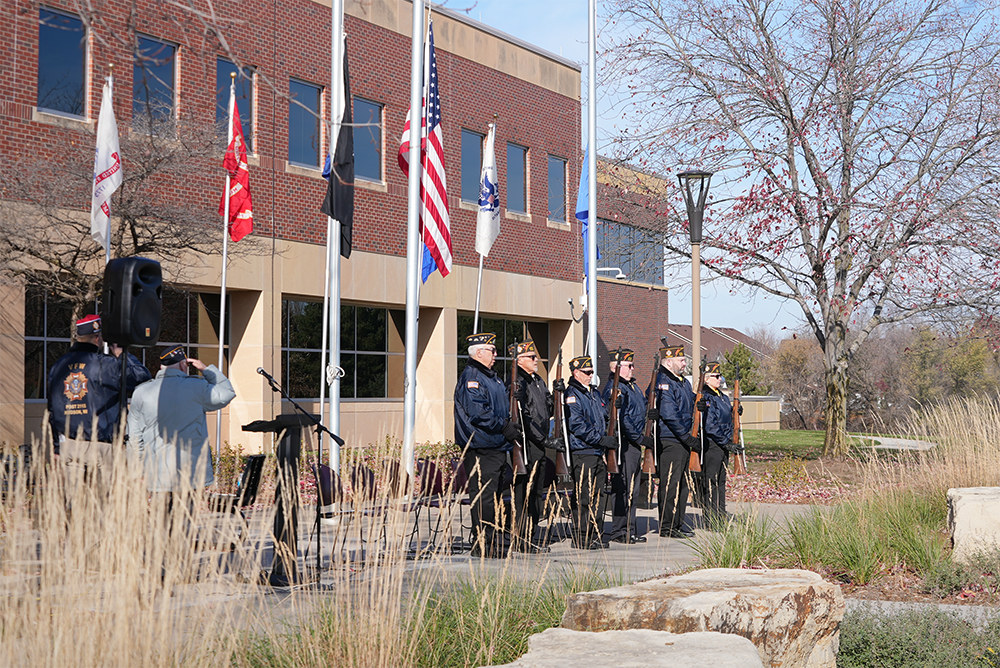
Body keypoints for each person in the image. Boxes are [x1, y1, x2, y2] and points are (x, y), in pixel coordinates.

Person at [46, 314, 151, 489]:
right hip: (102, 447)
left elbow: (52, 410)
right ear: (98, 338)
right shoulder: (106, 364)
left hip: (70, 445)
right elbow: (141, 377)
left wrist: (57, 447)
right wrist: (123, 354)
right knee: (105, 507)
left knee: (74, 507)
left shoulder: (58, 366)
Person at [126, 346, 236, 495]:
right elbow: (227, 393)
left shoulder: (141, 392)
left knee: (161, 517)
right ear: (183, 364)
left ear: (161, 367)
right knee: (187, 517)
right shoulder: (197, 387)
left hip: (156, 475)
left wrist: (138, 469)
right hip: (191, 474)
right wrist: (206, 370)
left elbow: (134, 436)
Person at [454, 332, 519, 558]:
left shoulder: (492, 377)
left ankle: (496, 542)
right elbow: (478, 413)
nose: (495, 354)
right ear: (478, 352)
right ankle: (484, 544)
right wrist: (504, 426)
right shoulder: (472, 377)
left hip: (497, 445)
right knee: (485, 497)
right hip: (482, 445)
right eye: (491, 350)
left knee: (497, 497)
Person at [564, 355, 616, 550]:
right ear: (576, 373)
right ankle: (582, 536)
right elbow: (577, 424)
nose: (590, 375)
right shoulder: (573, 394)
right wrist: (600, 439)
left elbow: (602, 418)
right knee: (584, 496)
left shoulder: (593, 393)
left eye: (592, 372)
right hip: (583, 451)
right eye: (586, 372)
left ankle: (596, 533)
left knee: (599, 495)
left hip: (596, 452)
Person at [507, 339, 553, 554]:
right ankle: (521, 537)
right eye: (531, 358)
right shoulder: (518, 382)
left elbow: (546, 409)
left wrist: (557, 398)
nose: (536, 361)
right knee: (523, 492)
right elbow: (523, 417)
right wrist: (540, 439)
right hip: (527, 444)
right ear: (519, 360)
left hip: (539, 443)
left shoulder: (538, 380)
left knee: (536, 492)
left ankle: (532, 534)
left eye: (536, 357)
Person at [649, 343, 699, 539]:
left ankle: (678, 523)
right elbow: (669, 414)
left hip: (683, 440)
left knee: (683, 485)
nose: (685, 363)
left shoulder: (683, 382)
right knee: (670, 485)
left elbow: (689, 402)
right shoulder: (663, 382)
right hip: (671, 440)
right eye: (681, 360)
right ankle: (667, 525)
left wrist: (701, 401)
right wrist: (685, 436)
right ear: (669, 362)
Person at [602, 349, 648, 544]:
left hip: (634, 444)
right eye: (629, 366)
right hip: (625, 444)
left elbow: (639, 411)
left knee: (633, 489)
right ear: (616, 368)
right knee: (623, 487)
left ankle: (630, 528)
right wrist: (639, 437)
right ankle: (620, 531)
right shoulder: (614, 387)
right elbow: (622, 419)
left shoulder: (632, 386)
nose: (633, 368)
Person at [696, 361, 739, 525]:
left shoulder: (721, 396)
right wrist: (724, 441)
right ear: (706, 379)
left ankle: (720, 515)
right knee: (711, 481)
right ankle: (710, 518)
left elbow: (726, 420)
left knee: (720, 482)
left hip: (722, 444)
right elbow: (710, 424)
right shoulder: (706, 396)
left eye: (720, 376)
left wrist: (735, 411)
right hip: (713, 445)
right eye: (716, 376)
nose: (719, 379)